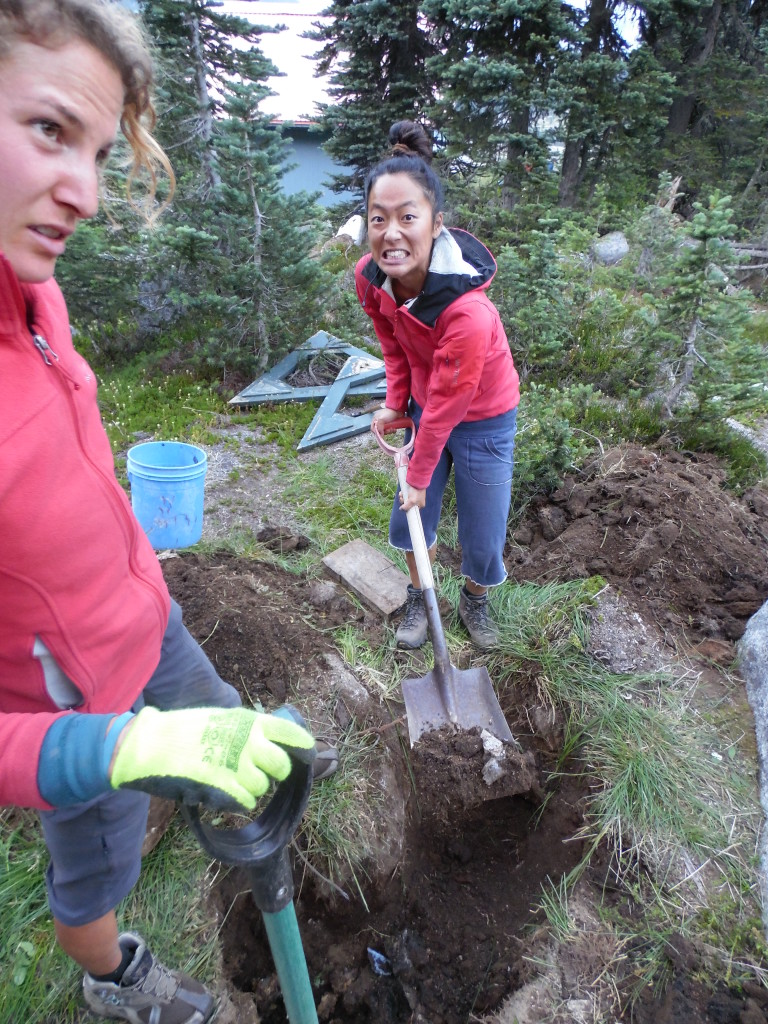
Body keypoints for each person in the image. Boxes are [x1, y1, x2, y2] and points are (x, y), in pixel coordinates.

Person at [0, 2, 336, 1022]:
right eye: (49, 130)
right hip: (76, 714)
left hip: (151, 620)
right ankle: (114, 978)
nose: (87, 194)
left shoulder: (33, 289)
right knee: (93, 878)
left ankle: (235, 832)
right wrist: (109, 753)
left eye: (100, 153)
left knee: (232, 719)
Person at [359, 121, 520, 651]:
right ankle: (419, 593)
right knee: (410, 514)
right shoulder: (371, 278)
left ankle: (474, 597)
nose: (392, 232)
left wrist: (421, 472)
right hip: (430, 403)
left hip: (484, 414)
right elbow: (394, 343)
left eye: (408, 217)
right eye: (378, 218)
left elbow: (454, 401)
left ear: (436, 224)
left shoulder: (467, 311)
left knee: (483, 525)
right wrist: (394, 402)